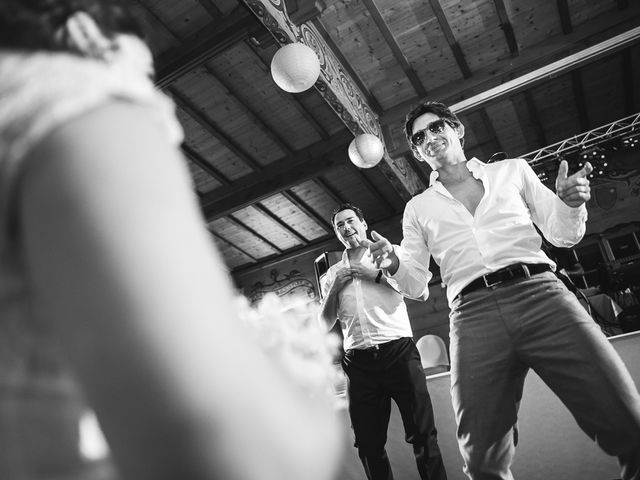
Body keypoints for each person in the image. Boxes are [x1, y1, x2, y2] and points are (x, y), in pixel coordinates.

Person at [0, 1, 341, 480]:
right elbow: (244, 458)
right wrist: (304, 378)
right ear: (86, 34)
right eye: (141, 72)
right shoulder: (72, 93)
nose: (167, 117)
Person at [363, 100, 640, 479]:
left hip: (543, 296)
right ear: (416, 152)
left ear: (457, 129)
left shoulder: (513, 171)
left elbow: (561, 233)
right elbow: (416, 284)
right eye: (419, 137)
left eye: (436, 127)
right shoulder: (418, 208)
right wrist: (393, 262)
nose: (430, 137)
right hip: (472, 316)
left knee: (629, 421)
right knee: (481, 461)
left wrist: (570, 203)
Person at [320, 203, 448, 480]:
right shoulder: (331, 275)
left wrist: (376, 275)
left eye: (350, 220)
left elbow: (420, 293)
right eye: (339, 225)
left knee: (423, 434)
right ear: (336, 233)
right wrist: (335, 288)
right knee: (368, 444)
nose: (346, 227)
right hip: (358, 364)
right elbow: (323, 324)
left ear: (363, 223)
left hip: (398, 353)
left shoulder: (392, 253)